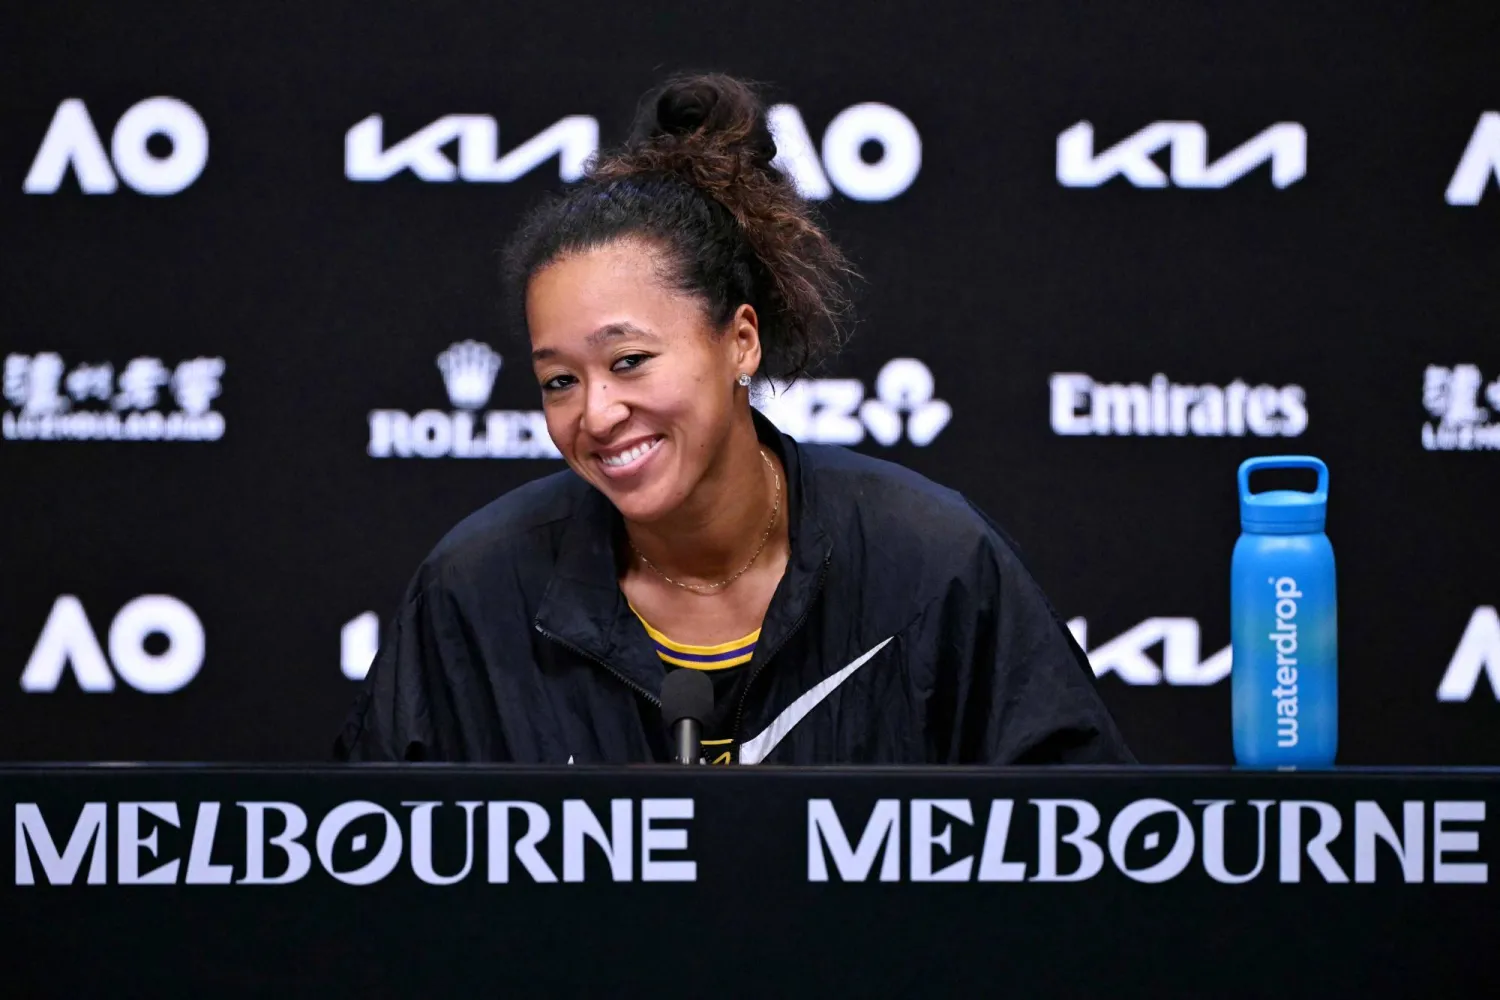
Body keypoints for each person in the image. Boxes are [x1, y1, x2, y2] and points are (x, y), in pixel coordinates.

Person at [335, 73, 1133, 766]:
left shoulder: (932, 563)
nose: (597, 413)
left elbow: (1083, 848)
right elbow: (366, 871)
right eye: (557, 381)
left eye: (629, 362)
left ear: (739, 342)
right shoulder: (476, 590)